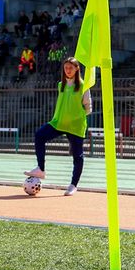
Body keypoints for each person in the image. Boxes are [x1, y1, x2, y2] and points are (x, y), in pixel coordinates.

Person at [24, 57, 92, 196]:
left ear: (77, 69)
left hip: (75, 125)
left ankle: (73, 185)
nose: (68, 70)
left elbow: (88, 108)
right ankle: (41, 169)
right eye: (66, 68)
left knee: (77, 156)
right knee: (39, 135)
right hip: (58, 122)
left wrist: (75, 116)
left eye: (71, 68)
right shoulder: (61, 84)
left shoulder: (83, 86)